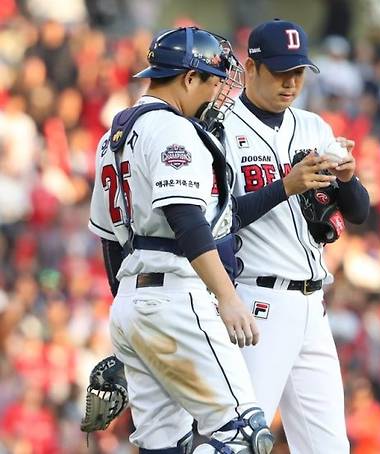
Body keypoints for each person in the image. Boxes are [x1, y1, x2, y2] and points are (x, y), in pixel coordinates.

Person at [87, 26, 273, 454]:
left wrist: (131, 316)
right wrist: (227, 297)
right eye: (211, 81)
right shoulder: (172, 130)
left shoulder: (111, 138)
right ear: (189, 78)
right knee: (246, 438)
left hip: (133, 303)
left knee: (164, 448)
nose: (216, 94)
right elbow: (187, 221)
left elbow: (109, 242)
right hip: (176, 297)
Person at [221, 19, 370, 454]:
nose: (291, 82)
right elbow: (218, 219)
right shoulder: (223, 129)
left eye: (298, 72)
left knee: (329, 447)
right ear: (252, 69)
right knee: (243, 439)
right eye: (281, 72)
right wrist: (287, 184)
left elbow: (358, 213)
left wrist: (348, 179)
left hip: (313, 306)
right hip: (257, 302)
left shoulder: (313, 126)